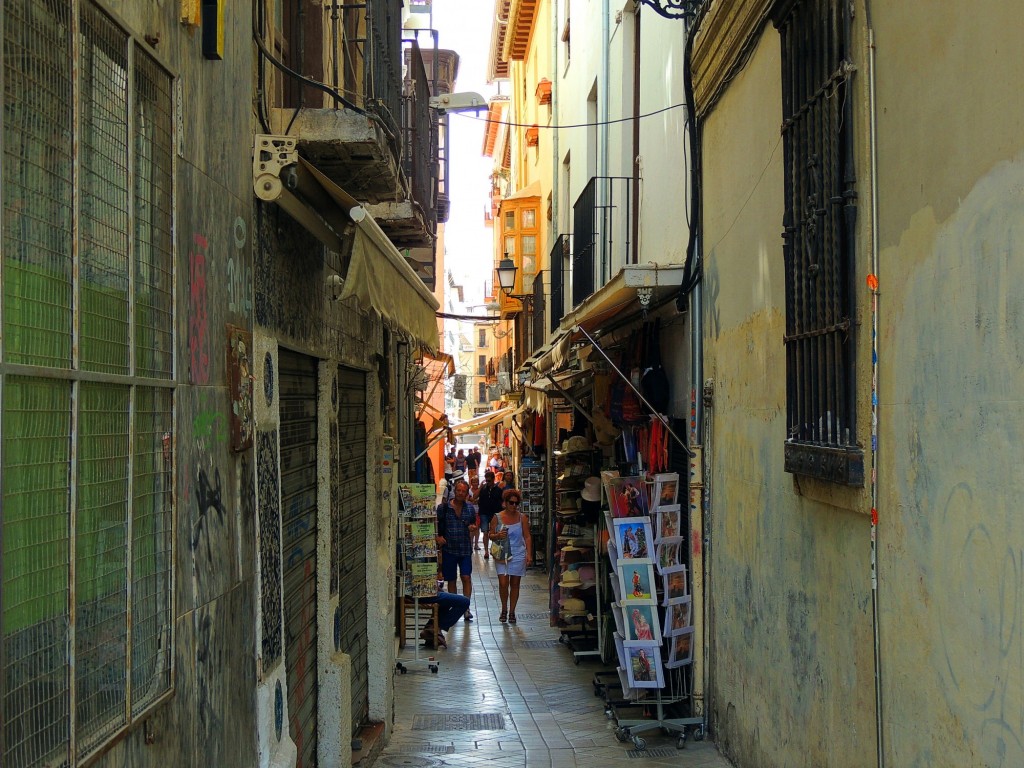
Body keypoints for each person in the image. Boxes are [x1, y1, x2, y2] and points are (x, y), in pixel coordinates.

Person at [435, 478, 479, 621]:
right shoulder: (444, 508)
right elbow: (436, 525)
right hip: (449, 549)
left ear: (467, 493)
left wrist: (472, 528)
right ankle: (455, 605)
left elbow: (471, 523)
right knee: (451, 579)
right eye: (458, 490)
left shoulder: (469, 509)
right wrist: (438, 537)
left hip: (465, 549)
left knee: (466, 577)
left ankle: (466, 607)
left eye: (464, 491)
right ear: (455, 491)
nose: (461, 493)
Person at [488, 488, 533, 624]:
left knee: (515, 583)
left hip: (518, 553)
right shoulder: (497, 517)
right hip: (502, 553)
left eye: (516, 503)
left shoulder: (522, 518)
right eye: (511, 503)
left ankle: (512, 611)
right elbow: (490, 534)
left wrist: (529, 554)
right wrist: (497, 535)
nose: (514, 506)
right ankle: (504, 608)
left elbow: (527, 536)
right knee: (503, 582)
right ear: (505, 503)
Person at [474, 470, 504, 557]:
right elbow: (474, 496)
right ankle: (486, 551)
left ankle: (494, 550)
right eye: (486, 480)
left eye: (489, 480)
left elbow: (502, 501)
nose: (488, 482)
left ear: (493, 479)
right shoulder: (483, 489)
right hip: (484, 512)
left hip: (495, 513)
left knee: (495, 532)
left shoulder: (498, 490)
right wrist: (480, 487)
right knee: (485, 532)